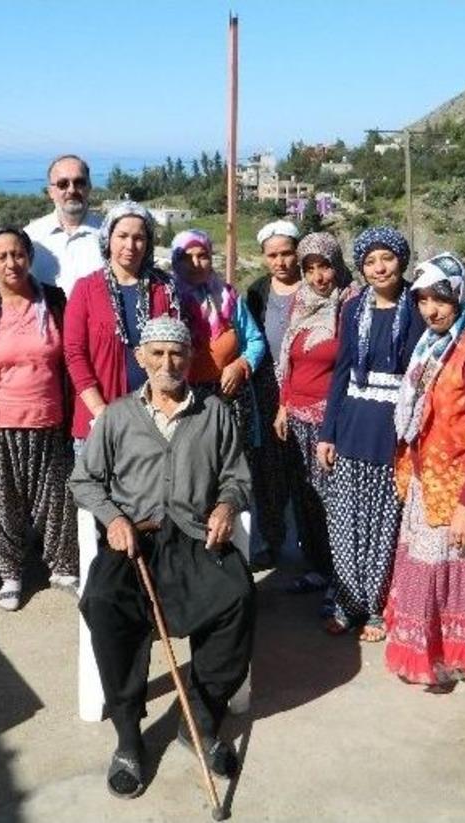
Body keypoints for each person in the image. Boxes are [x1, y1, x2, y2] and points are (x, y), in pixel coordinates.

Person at [71, 316, 254, 799]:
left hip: (194, 537)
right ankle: (129, 737)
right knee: (105, 603)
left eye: (177, 354)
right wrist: (112, 518)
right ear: (141, 359)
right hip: (135, 540)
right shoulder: (115, 416)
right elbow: (83, 480)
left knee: (237, 598)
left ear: (190, 360)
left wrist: (226, 504)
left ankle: (200, 718)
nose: (168, 363)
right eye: (158, 354)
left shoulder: (215, 412)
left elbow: (238, 476)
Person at [383, 253, 465, 690]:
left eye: (440, 298)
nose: (430, 310)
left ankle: (449, 657)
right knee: (427, 571)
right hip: (430, 482)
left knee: (449, 574)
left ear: (460, 294)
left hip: (459, 489)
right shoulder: (438, 344)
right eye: (422, 300)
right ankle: (432, 654)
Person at [0, 227, 79, 611]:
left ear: (29, 257)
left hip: (49, 419)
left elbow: (72, 358)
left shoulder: (54, 302)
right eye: (2, 256)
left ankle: (62, 567)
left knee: (56, 500)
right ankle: (10, 574)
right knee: (1, 502)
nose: (12, 263)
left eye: (18, 254)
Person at [316, 226, 423, 641]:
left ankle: (376, 609)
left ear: (401, 260)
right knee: (344, 522)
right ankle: (345, 602)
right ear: (360, 268)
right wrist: (328, 433)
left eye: (387, 259)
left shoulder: (415, 306)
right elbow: (341, 372)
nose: (379, 268)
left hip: (392, 433)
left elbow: (419, 377)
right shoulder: (354, 307)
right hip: (351, 429)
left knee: (383, 526)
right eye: (370, 261)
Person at [274, 232, 357, 604]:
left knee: (332, 500)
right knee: (305, 498)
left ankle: (341, 577)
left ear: (337, 264)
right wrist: (283, 405)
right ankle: (317, 568)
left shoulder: (350, 304)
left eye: (324, 266)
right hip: (296, 419)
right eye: (309, 269)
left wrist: (333, 425)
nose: (318, 277)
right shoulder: (302, 303)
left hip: (329, 422)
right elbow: (288, 362)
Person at [63, 201, 181, 447]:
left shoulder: (164, 289)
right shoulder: (86, 289)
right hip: (100, 421)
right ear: (108, 238)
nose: (130, 245)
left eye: (139, 237)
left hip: (156, 421)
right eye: (122, 236)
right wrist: (100, 410)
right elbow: (74, 354)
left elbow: (179, 349)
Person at [244, 219, 305, 570]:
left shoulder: (315, 286)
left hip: (308, 392)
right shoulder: (257, 292)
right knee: (269, 470)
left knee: (305, 468)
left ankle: (310, 544)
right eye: (273, 255)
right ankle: (270, 538)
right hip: (267, 390)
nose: (280, 262)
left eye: (286, 253)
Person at [171, 229, 265, 443]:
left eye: (202, 256)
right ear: (175, 260)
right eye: (186, 257)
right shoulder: (167, 300)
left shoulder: (228, 297)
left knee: (233, 469)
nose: (195, 263)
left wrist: (241, 364)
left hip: (231, 400)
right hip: (185, 401)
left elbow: (255, 340)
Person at [25, 154, 104, 296]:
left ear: (89, 187)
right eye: (63, 184)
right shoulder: (31, 237)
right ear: (51, 192)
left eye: (79, 182)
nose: (72, 190)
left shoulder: (108, 233)